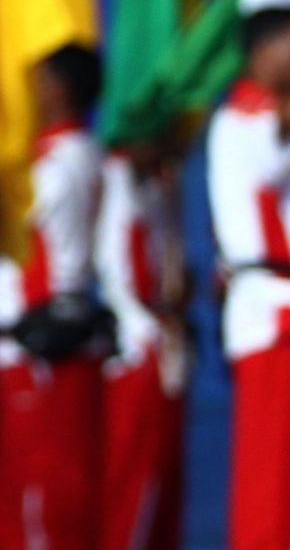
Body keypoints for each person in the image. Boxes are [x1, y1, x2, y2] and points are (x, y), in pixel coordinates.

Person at [207, 7, 290, 550]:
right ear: (263, 54)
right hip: (276, 314)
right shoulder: (245, 117)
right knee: (284, 480)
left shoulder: (288, 125)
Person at [0, 44, 106, 550]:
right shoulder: (69, 151)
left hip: (46, 341)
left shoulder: (65, 156)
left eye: (36, 80)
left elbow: (19, 219)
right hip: (38, 339)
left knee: (46, 493)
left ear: (59, 91)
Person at [95, 134, 187, 550]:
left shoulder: (160, 182)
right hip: (134, 355)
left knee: (162, 491)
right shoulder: (116, 176)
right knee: (130, 490)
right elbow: (111, 268)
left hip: (162, 349)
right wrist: (147, 333)